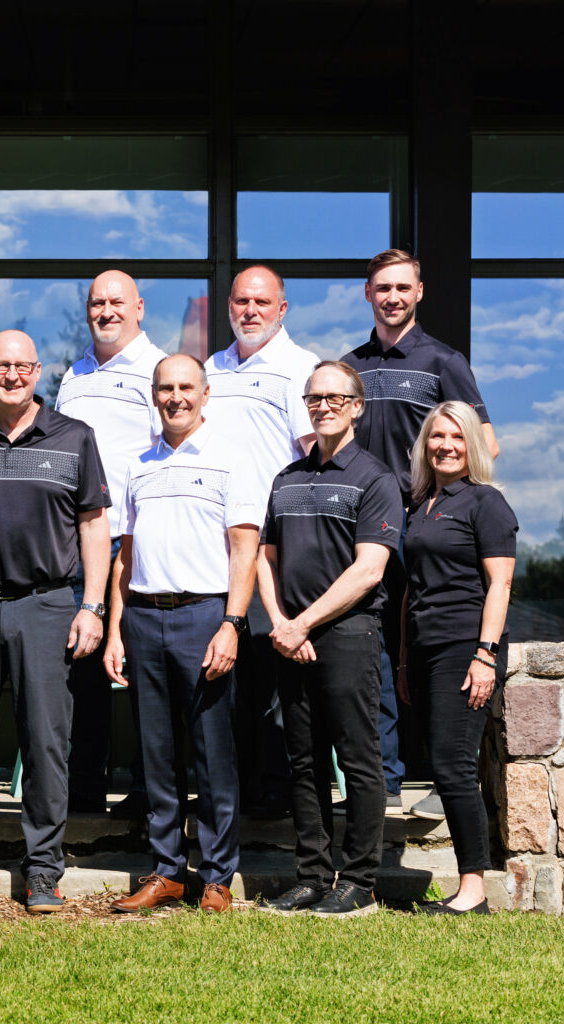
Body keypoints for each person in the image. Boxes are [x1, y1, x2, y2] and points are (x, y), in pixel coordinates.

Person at [0, 330, 111, 915]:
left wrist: (92, 606)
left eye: (23, 366)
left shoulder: (74, 436)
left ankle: (44, 870)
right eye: (1, 366)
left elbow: (94, 526)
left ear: (38, 371)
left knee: (47, 741)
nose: (12, 375)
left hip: (47, 604)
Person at [342, 248, 498, 820]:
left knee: (438, 645)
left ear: (419, 293)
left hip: (422, 525)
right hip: (366, 530)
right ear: (368, 293)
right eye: (383, 288)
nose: (393, 297)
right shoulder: (350, 367)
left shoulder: (443, 361)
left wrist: (448, 507)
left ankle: (448, 776)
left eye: (403, 287)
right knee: (374, 649)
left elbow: (485, 442)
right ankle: (383, 780)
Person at [103, 354, 261, 914]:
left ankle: (217, 876)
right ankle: (167, 871)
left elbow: (244, 551)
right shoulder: (137, 465)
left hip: (204, 616)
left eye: (186, 387)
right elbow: (125, 555)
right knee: (156, 753)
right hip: (144, 617)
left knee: (212, 753)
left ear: (205, 393)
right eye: (166, 388)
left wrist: (231, 624)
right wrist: (116, 629)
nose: (176, 397)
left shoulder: (231, 458)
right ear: (154, 395)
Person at [258, 361, 402, 919]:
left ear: (357, 407)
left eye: (335, 398)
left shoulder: (374, 478)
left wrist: (303, 624)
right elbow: (265, 559)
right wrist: (281, 622)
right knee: (305, 762)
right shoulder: (287, 478)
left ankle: (360, 880)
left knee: (359, 760)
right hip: (291, 638)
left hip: (348, 633)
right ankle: (313, 878)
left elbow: (369, 570)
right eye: (314, 398)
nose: (323, 407)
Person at [204, 265, 321, 819]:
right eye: (241, 301)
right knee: (230, 672)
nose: (250, 311)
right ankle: (231, 788)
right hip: (218, 544)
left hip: (276, 545)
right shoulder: (211, 369)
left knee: (275, 671)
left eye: (262, 302)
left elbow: (315, 454)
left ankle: (275, 792)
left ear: (282, 308)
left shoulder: (300, 368)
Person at [55, 269, 167, 816]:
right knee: (81, 667)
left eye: (116, 302)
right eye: (97, 302)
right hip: (80, 543)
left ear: (139, 308)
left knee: (143, 668)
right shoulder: (73, 374)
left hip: (136, 541)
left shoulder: (157, 369)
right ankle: (84, 790)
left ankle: (149, 791)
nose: (106, 312)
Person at [400, 401, 515, 915]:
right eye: (437, 436)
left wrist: (485, 655)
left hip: (465, 647)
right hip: (425, 649)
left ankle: (473, 891)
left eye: (457, 437)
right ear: (424, 445)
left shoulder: (485, 502)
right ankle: (468, 887)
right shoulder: (421, 505)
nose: (446, 446)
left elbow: (500, 583)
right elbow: (411, 589)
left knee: (453, 766)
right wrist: (404, 662)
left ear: (472, 446)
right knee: (444, 764)